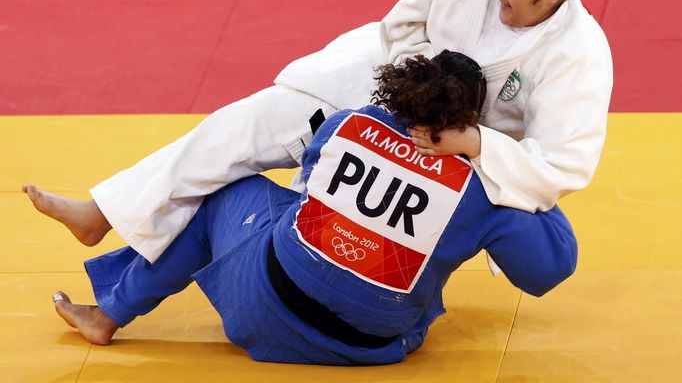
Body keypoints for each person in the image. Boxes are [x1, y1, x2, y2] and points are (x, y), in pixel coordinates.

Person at [23, 0, 612, 266]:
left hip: (457, 154)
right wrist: (419, 80)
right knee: (239, 129)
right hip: (380, 81)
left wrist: (472, 139)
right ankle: (103, 212)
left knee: (294, 210)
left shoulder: (577, 55)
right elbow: (402, 24)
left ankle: (128, 273)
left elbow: (564, 162)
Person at [48, 52, 577, 365]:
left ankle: (109, 313)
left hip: (263, 313)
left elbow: (311, 184)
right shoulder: (484, 185)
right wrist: (519, 170)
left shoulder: (347, 123)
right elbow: (547, 271)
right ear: (473, 119)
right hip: (377, 346)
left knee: (223, 192)